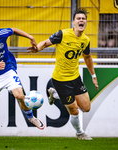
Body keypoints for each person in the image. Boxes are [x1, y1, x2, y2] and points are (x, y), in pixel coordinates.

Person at [28, 9, 99, 140]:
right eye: (78, 18)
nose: (81, 20)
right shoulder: (63, 34)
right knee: (74, 110)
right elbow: (45, 42)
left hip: (75, 78)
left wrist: (93, 76)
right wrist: (37, 48)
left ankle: (55, 94)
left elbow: (87, 57)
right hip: (61, 80)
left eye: (83, 18)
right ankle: (80, 133)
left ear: (86, 22)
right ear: (73, 22)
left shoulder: (85, 40)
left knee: (86, 108)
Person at [0, 19, 45, 140]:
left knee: (20, 96)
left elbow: (14, 30)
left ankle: (31, 118)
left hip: (8, 69)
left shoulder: (0, 34)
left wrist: (30, 37)